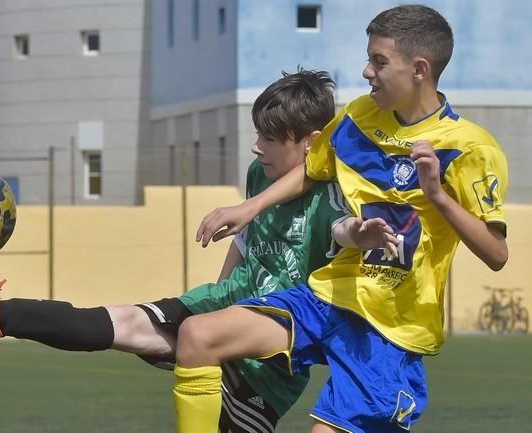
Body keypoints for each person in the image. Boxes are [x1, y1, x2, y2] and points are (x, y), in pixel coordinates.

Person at [0, 69, 395, 433]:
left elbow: (344, 230)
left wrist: (365, 234)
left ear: (312, 142)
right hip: (223, 309)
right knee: (126, 321)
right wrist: (220, 298)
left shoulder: (333, 191)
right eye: (257, 134)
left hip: (267, 363)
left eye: (270, 138)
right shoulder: (261, 175)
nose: (257, 147)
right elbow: (245, 241)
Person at [174, 5, 509, 433]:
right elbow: (311, 169)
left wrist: (438, 197)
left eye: (379, 61)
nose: (367, 71)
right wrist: (249, 207)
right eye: (369, 57)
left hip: (390, 328)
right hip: (329, 295)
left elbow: (496, 253)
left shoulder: (470, 148)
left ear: (420, 68)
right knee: (198, 336)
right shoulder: (356, 118)